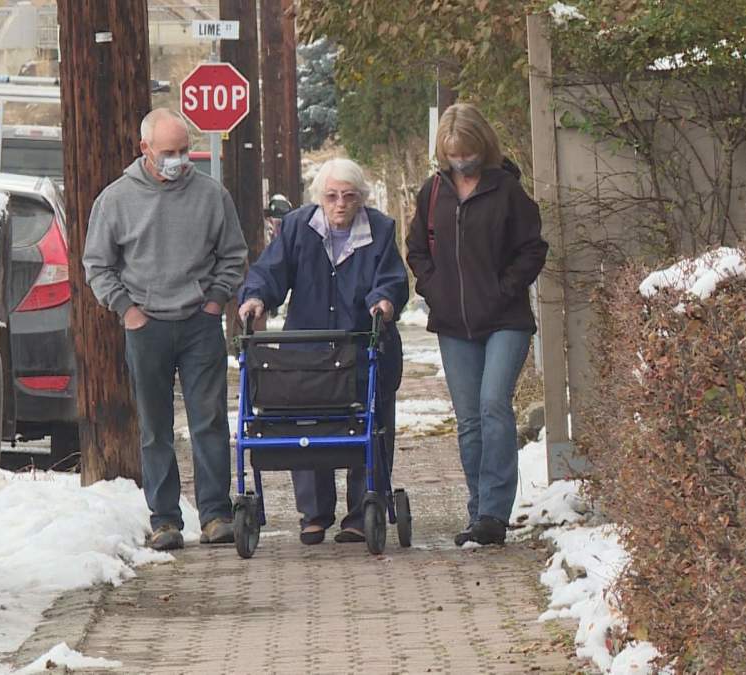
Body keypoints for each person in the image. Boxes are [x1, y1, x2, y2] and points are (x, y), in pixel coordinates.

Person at [83, 108, 247, 551]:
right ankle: (165, 520)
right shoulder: (116, 200)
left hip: (199, 322)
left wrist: (215, 301)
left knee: (208, 421)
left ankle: (216, 514)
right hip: (146, 324)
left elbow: (234, 254)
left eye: (182, 151)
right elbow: (97, 264)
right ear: (145, 150)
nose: (177, 160)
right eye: (167, 153)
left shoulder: (212, 196)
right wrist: (127, 311)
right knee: (155, 427)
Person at [238, 158, 408, 545]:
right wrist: (255, 298)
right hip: (310, 347)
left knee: (370, 424)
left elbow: (392, 278)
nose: (340, 204)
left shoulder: (380, 229)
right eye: (331, 196)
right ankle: (314, 513)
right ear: (319, 199)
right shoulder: (299, 226)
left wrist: (383, 301)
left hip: (362, 345)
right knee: (308, 425)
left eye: (349, 196)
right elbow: (270, 271)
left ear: (361, 198)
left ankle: (362, 510)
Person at [405, 103, 548, 546]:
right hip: (454, 323)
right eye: (451, 155)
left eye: (466, 153)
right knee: (468, 419)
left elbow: (533, 249)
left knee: (492, 404)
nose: (460, 162)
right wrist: (435, 288)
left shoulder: (507, 190)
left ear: (481, 147)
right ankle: (477, 507)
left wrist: (505, 287)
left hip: (505, 318)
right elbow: (416, 251)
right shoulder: (432, 193)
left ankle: (494, 512)